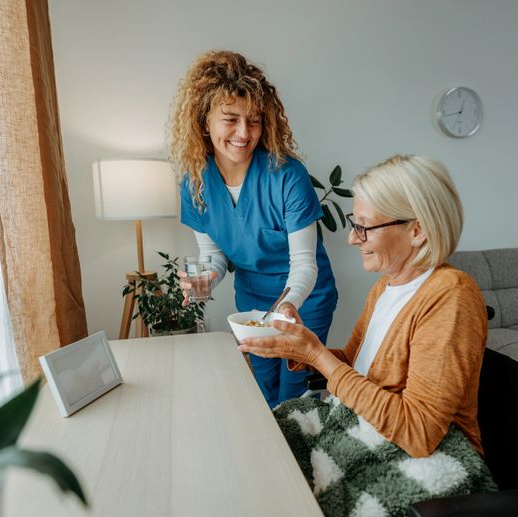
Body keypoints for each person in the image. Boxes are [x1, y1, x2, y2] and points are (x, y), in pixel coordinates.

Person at [238, 154, 488, 458]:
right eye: (353, 224)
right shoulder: (386, 285)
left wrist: (316, 354)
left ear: (417, 231)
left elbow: (420, 433)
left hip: (432, 461)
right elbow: (355, 363)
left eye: (364, 226)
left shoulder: (451, 296)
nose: (352, 239)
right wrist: (297, 350)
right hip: (366, 433)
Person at [168, 50, 338, 407]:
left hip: (304, 300)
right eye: (230, 119)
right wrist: (206, 279)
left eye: (255, 120)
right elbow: (213, 257)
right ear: (204, 122)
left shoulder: (287, 176)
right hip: (251, 304)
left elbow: (305, 265)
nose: (244, 133)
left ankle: (296, 461)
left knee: (293, 395)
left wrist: (288, 306)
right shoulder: (194, 183)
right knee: (262, 391)